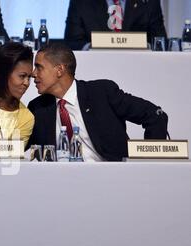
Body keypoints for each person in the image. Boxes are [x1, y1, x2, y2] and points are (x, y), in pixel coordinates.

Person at [28, 42, 168, 161]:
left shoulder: (102, 93)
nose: (33, 73)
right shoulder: (38, 108)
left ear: (59, 70)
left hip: (111, 179)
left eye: (39, 67)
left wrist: (151, 164)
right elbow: (23, 148)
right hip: (62, 184)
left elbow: (155, 116)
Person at [64, 0, 167, 50]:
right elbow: (71, 43)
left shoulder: (149, 3)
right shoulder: (80, 2)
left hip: (140, 68)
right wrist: (92, 47)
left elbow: (160, 42)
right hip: (95, 69)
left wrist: (144, 46)